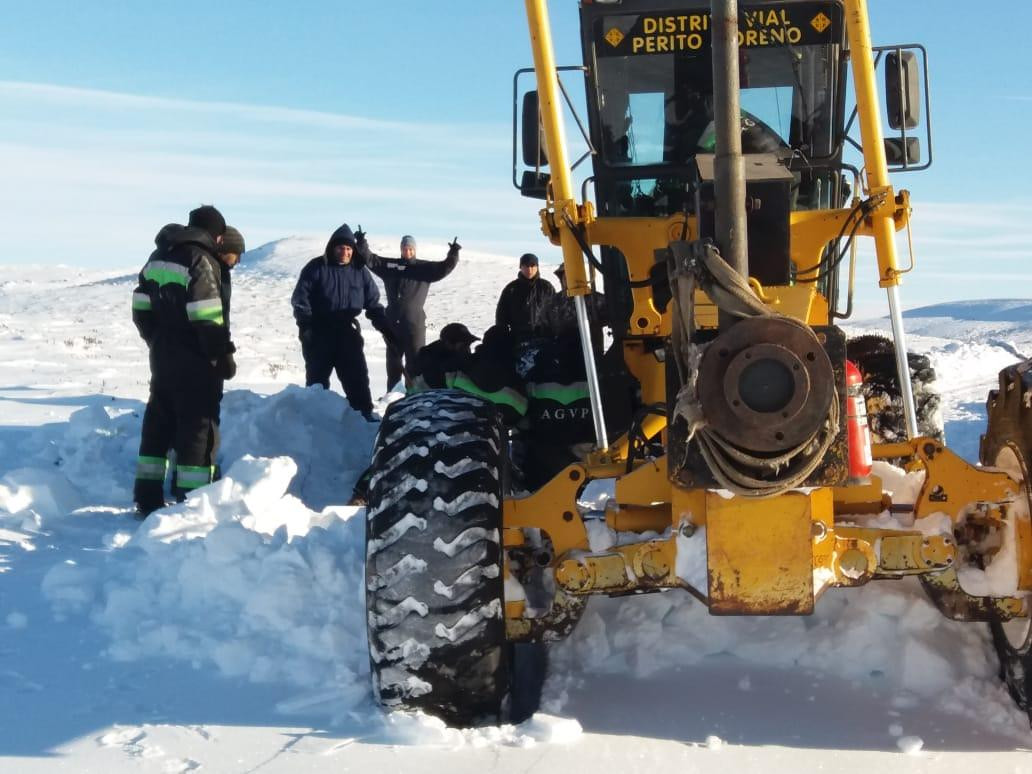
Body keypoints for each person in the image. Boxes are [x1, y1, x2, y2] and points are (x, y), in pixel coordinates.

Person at [131, 205, 238, 517]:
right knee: (197, 428)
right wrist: (220, 355)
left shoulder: (157, 257)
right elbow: (206, 316)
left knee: (158, 425)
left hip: (162, 358)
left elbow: (141, 308)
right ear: (216, 234)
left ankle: (147, 495)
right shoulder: (200, 259)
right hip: (196, 362)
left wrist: (158, 341)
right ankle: (193, 500)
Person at [291, 223, 396, 421]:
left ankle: (364, 416)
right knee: (317, 381)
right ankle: (314, 419)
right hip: (320, 332)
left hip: (348, 332)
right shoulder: (316, 268)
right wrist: (305, 327)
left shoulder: (359, 271)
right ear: (332, 247)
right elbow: (300, 299)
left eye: (348, 248)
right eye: (341, 248)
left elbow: (373, 303)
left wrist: (384, 326)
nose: (345, 252)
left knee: (357, 377)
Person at [357, 232, 461, 390]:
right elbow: (371, 260)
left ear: (415, 250)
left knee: (417, 366)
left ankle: (415, 395)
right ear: (401, 249)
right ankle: (391, 397)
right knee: (393, 367)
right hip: (392, 325)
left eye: (411, 249)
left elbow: (444, 267)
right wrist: (361, 242)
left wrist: (453, 253)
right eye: (405, 248)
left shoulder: (423, 269)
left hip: (415, 327)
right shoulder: (390, 267)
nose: (408, 251)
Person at [495, 253, 555, 342]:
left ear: (537, 267)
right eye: (526, 266)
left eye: (532, 265)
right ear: (521, 267)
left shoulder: (546, 287)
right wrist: (504, 338)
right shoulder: (511, 289)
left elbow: (555, 312)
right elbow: (501, 317)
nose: (529, 269)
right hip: (517, 339)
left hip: (543, 339)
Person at [409, 322, 479, 392]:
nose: (467, 348)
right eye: (464, 345)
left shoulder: (457, 357)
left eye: (469, 344)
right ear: (448, 344)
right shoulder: (432, 361)